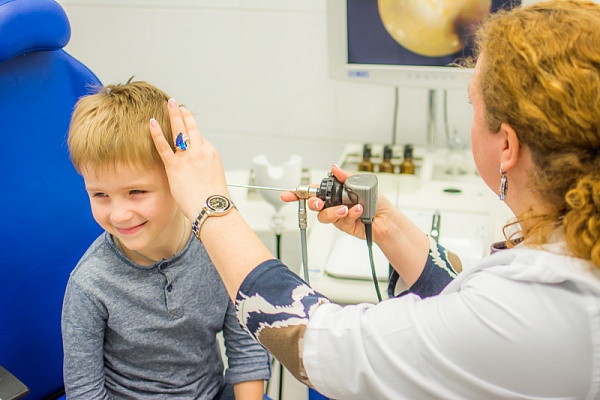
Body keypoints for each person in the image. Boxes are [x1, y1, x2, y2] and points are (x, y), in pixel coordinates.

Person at [148, 1, 600, 398]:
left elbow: (321, 344)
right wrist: (388, 227)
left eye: (473, 107)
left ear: (507, 146)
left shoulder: (539, 305)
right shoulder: (568, 262)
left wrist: (212, 206)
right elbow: (465, 313)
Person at [62, 80, 271, 400]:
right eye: (100, 194)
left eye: (136, 192)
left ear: (178, 178)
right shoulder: (89, 284)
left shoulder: (218, 248)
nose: (119, 214)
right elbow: (84, 392)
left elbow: (247, 352)